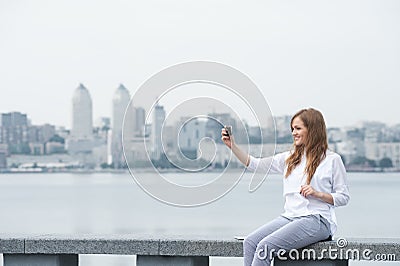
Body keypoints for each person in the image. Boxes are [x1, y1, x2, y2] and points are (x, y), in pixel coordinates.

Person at [221, 108, 350, 266]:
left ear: (313, 129)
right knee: (250, 242)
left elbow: (343, 197)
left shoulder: (332, 160)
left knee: (264, 248)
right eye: (292, 129)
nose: (294, 133)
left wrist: (318, 194)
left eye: (298, 128)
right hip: (290, 217)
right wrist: (232, 146)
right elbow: (255, 165)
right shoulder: (289, 158)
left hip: (317, 219)